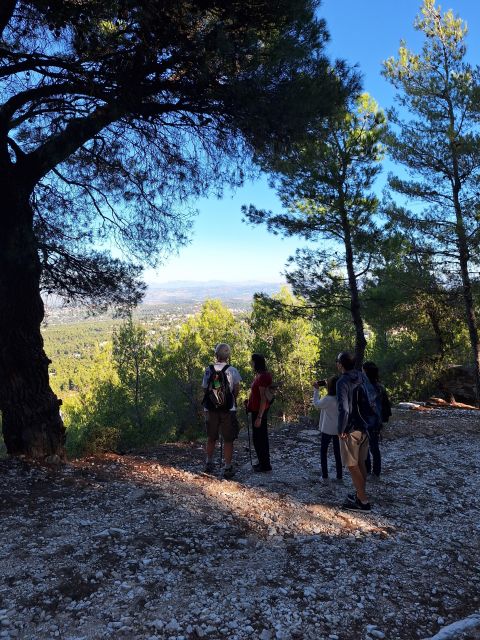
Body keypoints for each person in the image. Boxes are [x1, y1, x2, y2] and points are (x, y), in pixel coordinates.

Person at [336, 351, 371, 511]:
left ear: (340, 365)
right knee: (361, 462)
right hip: (365, 426)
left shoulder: (342, 381)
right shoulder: (361, 376)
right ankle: (360, 494)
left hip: (350, 429)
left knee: (352, 465)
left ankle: (363, 502)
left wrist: (341, 429)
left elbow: (344, 408)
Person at [202, 343, 241, 479]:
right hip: (228, 409)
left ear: (216, 355)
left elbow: (205, 388)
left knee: (211, 437)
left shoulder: (209, 370)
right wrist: (230, 399)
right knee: (228, 439)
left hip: (211, 408)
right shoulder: (233, 370)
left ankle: (209, 462)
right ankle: (227, 467)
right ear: (228, 356)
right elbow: (236, 389)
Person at [362, 361, 392, 479]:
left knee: (365, 447)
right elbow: (386, 407)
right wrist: (383, 420)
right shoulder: (381, 388)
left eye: (363, 370)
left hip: (365, 421)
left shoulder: (363, 387)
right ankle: (376, 472)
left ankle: (368, 470)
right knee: (374, 447)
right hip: (376, 422)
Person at [313, 375, 342, 482]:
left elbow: (316, 403)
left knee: (323, 452)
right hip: (338, 429)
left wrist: (316, 390)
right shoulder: (341, 398)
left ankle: (325, 476)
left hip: (327, 430)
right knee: (337, 453)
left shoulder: (327, 399)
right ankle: (339, 476)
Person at [246, 353, 273, 472]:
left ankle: (265, 465)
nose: (250, 363)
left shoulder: (262, 377)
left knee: (259, 438)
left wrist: (259, 417)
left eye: (252, 361)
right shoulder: (260, 375)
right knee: (259, 438)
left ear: (256, 362)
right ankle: (263, 462)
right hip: (256, 409)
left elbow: (263, 398)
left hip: (259, 411)